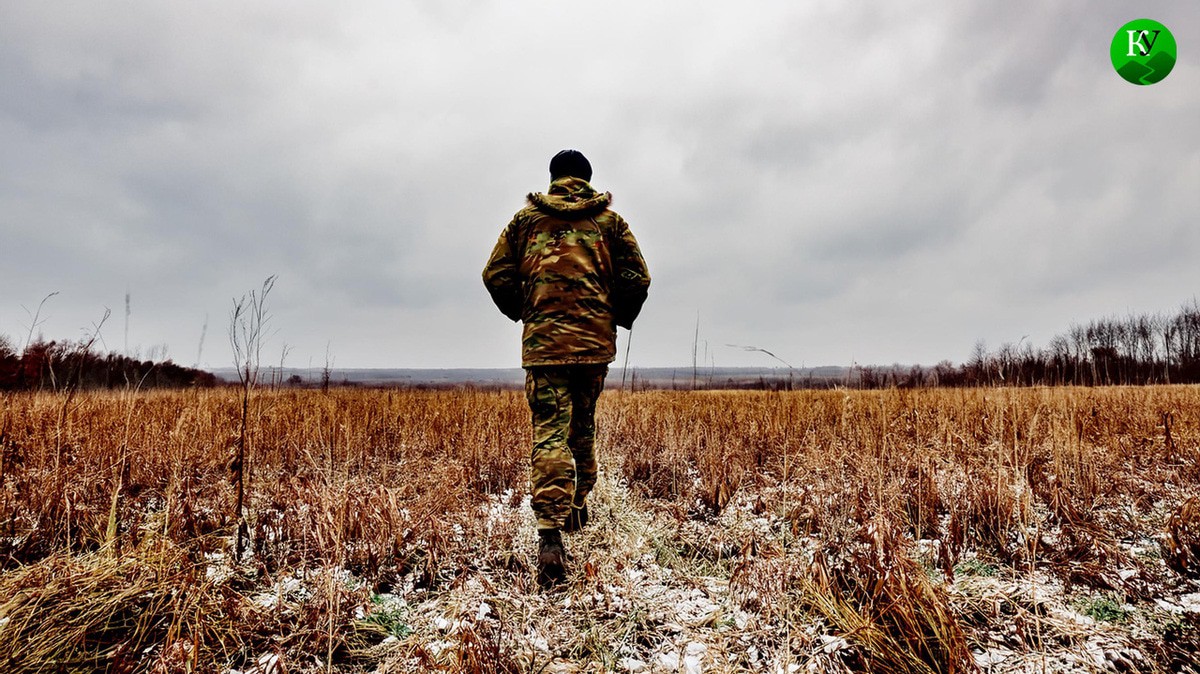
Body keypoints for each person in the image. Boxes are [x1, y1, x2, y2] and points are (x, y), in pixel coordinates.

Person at [483, 149, 650, 587]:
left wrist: (528, 311)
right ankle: (577, 506)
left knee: (550, 433)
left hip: (544, 347)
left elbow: (494, 274)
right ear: (588, 181)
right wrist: (610, 316)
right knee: (583, 428)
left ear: (554, 178)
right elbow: (638, 279)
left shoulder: (525, 222)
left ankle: (551, 535)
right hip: (593, 348)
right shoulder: (609, 223)